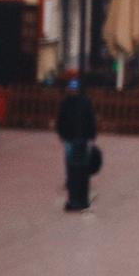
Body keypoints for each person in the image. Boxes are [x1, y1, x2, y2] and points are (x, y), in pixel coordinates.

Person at [56, 80, 98, 213]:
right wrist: (91, 136)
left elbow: (60, 120)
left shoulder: (68, 103)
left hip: (74, 138)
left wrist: (62, 134)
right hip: (78, 139)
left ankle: (74, 199)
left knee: (73, 166)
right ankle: (81, 199)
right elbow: (90, 119)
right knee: (79, 168)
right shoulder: (83, 102)